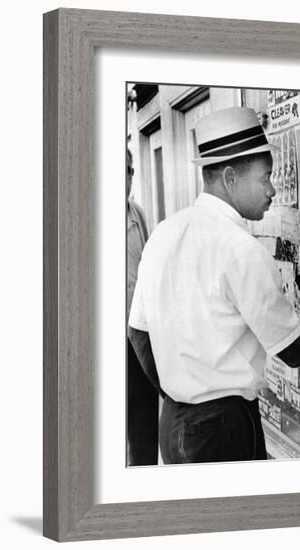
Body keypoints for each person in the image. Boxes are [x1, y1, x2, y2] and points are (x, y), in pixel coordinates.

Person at [128, 107, 300, 464]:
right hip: (221, 431)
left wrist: (181, 391)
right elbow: (292, 349)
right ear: (231, 178)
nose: (273, 190)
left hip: (175, 425)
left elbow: (138, 333)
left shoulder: (163, 233)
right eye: (266, 178)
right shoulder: (238, 248)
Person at [126, 149, 159, 466]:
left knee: (143, 425)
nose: (124, 178)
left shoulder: (136, 214)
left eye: (128, 170)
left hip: (137, 335)